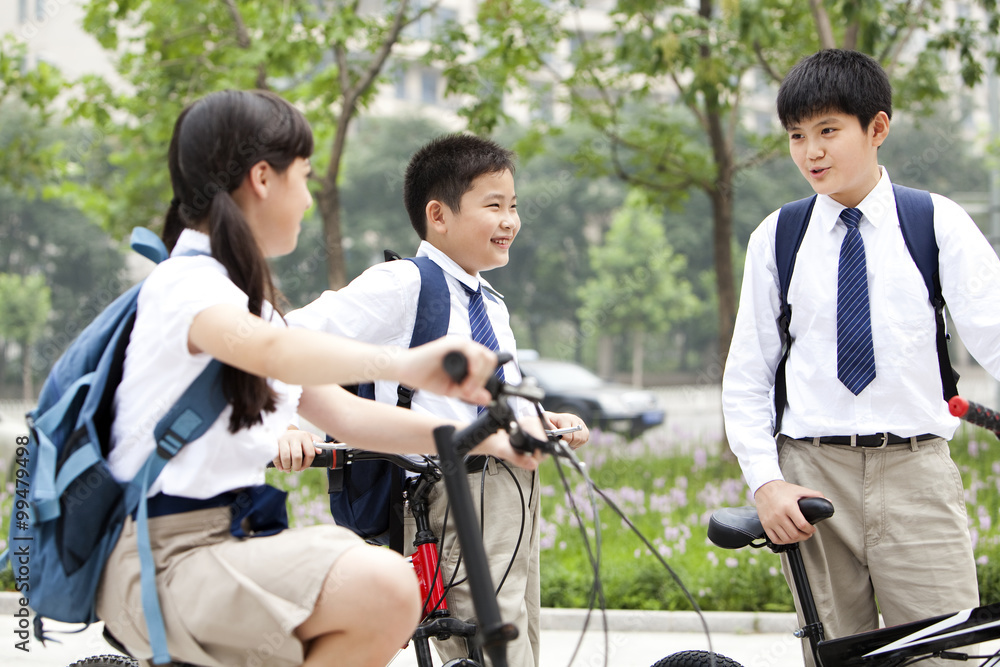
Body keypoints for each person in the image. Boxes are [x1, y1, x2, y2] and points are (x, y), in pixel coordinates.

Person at [95, 90, 538, 667]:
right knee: (382, 585)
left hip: (220, 547)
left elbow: (348, 416)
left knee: (385, 588)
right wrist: (405, 365)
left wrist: (486, 438)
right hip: (164, 558)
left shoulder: (245, 299)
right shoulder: (188, 283)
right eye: (303, 178)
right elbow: (277, 352)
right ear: (261, 178)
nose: (308, 199)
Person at [722, 49, 1000, 666]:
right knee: (836, 657)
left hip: (916, 473)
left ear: (876, 128)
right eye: (797, 136)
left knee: (947, 655)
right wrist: (767, 484)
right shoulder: (778, 236)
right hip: (812, 477)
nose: (810, 152)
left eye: (827, 131)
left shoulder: (935, 222)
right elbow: (747, 376)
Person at [285, 133, 589, 667]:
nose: (510, 221)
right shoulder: (402, 284)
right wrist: (288, 421)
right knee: (474, 646)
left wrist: (544, 419)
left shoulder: (490, 302)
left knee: (519, 639)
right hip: (450, 492)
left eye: (513, 206)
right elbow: (292, 337)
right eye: (493, 206)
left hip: (513, 487)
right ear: (438, 215)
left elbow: (499, 395)